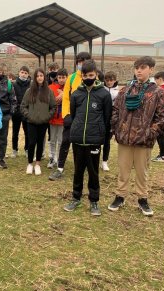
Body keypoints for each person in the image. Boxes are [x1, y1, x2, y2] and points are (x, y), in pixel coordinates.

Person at [108, 56, 164, 217]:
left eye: (142, 67)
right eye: (137, 68)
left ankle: (142, 199)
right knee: (123, 169)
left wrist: (150, 134)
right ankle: (120, 196)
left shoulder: (158, 92)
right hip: (125, 140)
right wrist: (118, 129)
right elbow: (115, 111)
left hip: (144, 141)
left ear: (151, 69)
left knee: (142, 171)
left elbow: (161, 118)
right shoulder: (125, 90)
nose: (139, 71)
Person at [63, 61, 112, 215]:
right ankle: (76, 198)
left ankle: (94, 201)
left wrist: (101, 135)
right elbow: (73, 114)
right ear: (82, 76)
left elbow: (107, 117)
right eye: (85, 76)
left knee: (93, 172)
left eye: (91, 75)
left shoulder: (104, 94)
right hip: (78, 139)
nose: (88, 78)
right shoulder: (76, 94)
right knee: (78, 171)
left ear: (96, 75)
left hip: (94, 140)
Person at [49, 52, 92, 180]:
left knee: (83, 143)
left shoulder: (94, 78)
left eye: (84, 61)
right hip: (72, 116)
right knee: (65, 141)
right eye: (79, 61)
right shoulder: (72, 78)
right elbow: (66, 98)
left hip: (87, 117)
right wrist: (66, 114)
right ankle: (60, 168)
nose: (81, 63)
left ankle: (82, 167)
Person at [21, 68, 55, 175]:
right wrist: (29, 116)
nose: (39, 77)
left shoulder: (49, 91)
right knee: (31, 143)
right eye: (37, 76)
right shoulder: (29, 91)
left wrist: (47, 117)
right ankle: (30, 163)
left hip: (43, 123)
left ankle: (38, 164)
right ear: (35, 78)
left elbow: (53, 107)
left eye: (41, 75)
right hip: (31, 122)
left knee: (40, 143)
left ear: (44, 77)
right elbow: (23, 106)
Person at [0, 62, 17, 169]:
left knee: (3, 138)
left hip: (5, 115)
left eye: (1, 71)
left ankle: (1, 159)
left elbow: (13, 100)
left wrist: (11, 113)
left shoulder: (9, 84)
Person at [47, 68, 67, 168]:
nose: (61, 80)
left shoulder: (70, 89)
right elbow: (48, 102)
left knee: (61, 140)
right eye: (59, 77)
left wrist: (65, 96)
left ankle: (59, 158)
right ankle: (51, 157)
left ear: (67, 78)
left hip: (63, 120)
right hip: (53, 118)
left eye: (63, 77)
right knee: (52, 139)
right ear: (57, 78)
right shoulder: (51, 87)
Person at [102, 70, 121, 171]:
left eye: (111, 80)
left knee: (106, 142)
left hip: (110, 120)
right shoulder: (100, 89)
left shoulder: (118, 92)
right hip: (100, 119)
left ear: (115, 80)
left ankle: (104, 161)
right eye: (107, 80)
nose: (109, 82)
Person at [11, 66, 31, 158]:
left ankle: (27, 149)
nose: (23, 74)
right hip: (16, 112)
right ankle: (14, 149)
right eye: (22, 72)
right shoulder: (13, 84)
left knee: (27, 132)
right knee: (15, 132)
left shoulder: (30, 85)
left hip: (26, 112)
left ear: (28, 75)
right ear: (19, 73)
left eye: (26, 73)